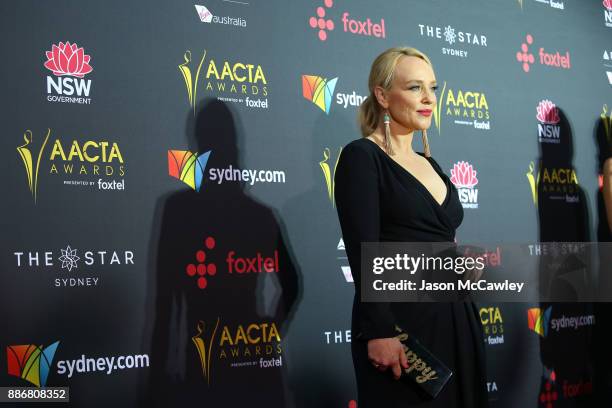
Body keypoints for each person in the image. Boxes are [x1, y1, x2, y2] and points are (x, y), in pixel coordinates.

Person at [334, 47, 488, 407]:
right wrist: (380, 331)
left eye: (432, 88)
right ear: (383, 95)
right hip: (402, 329)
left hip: (455, 319)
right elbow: (363, 253)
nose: (428, 99)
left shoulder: (430, 164)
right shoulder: (362, 157)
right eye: (415, 88)